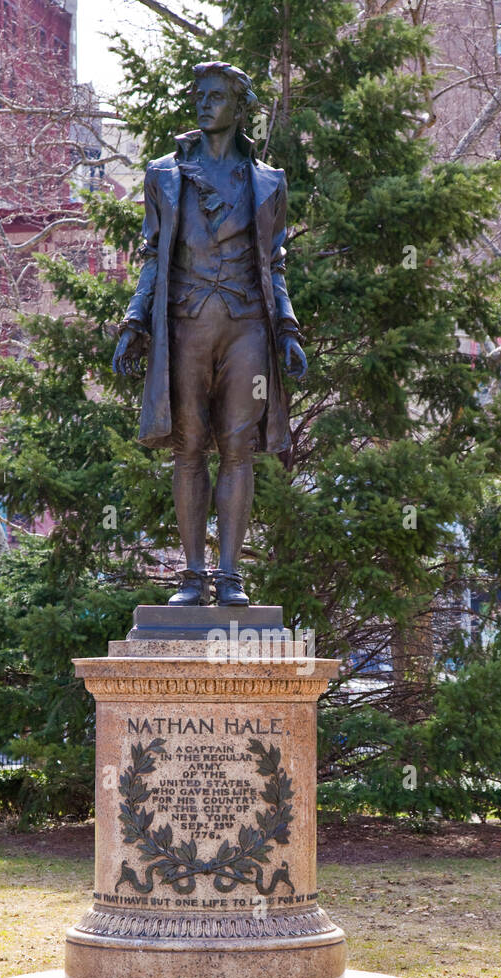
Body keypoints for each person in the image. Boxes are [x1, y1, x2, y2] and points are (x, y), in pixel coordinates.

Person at [112, 60, 307, 607]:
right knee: (190, 447)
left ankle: (230, 577)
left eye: (216, 96)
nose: (204, 103)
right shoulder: (164, 175)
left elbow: (275, 262)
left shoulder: (269, 181)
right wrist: (133, 321)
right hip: (185, 325)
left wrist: (288, 329)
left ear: (239, 106)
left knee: (238, 447)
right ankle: (193, 577)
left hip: (247, 327)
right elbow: (152, 256)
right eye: (199, 94)